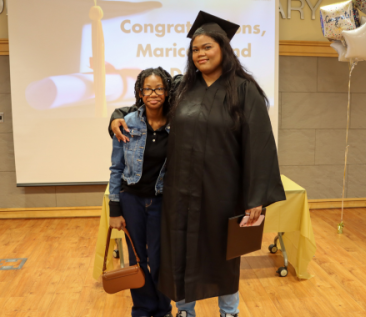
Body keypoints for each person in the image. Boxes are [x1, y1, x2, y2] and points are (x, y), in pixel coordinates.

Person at [109, 11, 286, 317]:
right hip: (179, 193)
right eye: (195, 49)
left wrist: (255, 198)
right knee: (179, 253)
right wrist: (116, 116)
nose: (200, 53)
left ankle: (228, 311)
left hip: (223, 194)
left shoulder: (244, 90)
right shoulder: (183, 88)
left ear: (223, 49)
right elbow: (145, 104)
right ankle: (185, 311)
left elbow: (260, 146)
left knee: (224, 256)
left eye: (207, 47)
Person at [108, 67, 174, 317]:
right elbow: (116, 168)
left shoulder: (177, 124)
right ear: (139, 92)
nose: (153, 93)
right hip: (131, 200)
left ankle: (163, 308)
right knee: (138, 259)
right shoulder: (127, 123)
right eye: (148, 88)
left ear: (167, 92)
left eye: (159, 88)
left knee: (159, 260)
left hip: (161, 202)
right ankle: (143, 308)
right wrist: (115, 209)